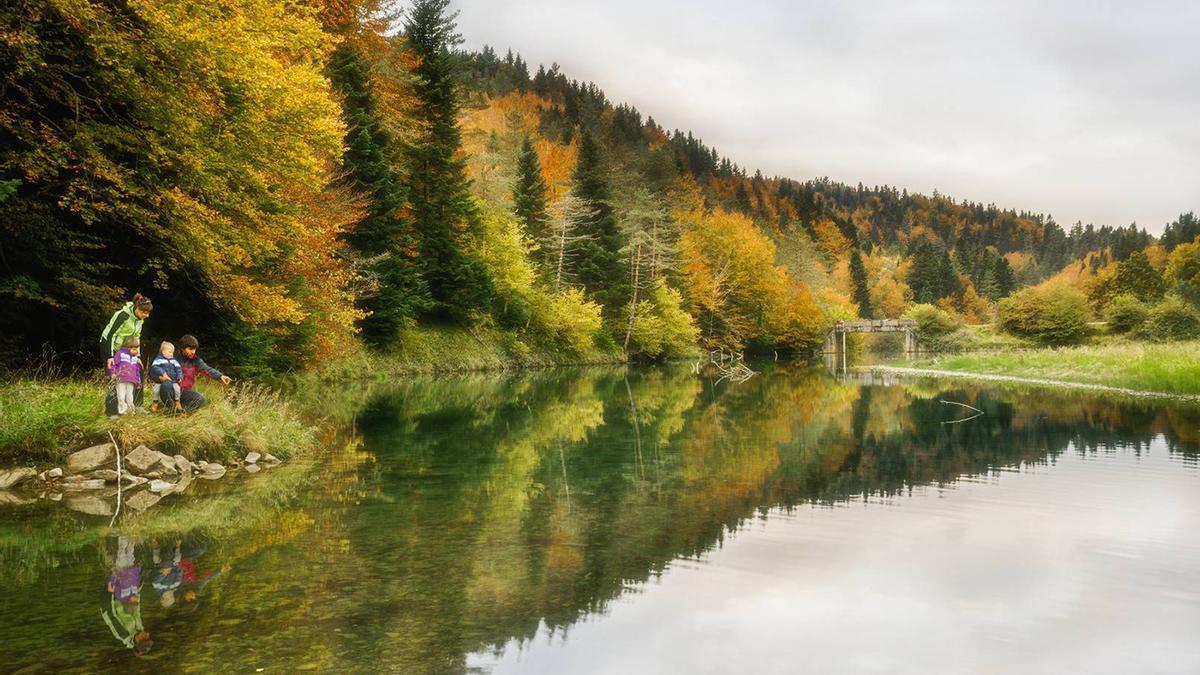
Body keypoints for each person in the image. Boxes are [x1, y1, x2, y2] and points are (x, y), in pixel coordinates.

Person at [102, 535, 153, 655]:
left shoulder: (123, 635)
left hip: (112, 597)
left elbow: (110, 616)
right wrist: (137, 595)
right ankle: (126, 536)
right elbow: (136, 610)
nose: (148, 634)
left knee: (113, 567)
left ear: (139, 640)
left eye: (146, 637)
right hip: (127, 593)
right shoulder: (140, 628)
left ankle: (109, 539)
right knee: (126, 566)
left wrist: (110, 594)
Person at [176, 334, 231, 411]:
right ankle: (177, 410)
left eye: (194, 349)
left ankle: (180, 412)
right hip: (173, 390)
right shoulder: (172, 358)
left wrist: (220, 376)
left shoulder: (196, 360)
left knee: (202, 400)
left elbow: (207, 369)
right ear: (182, 348)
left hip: (186, 392)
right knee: (200, 399)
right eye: (190, 349)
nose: (193, 352)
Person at [100, 293, 153, 365]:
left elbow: (136, 338)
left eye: (148, 313)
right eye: (144, 313)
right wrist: (110, 356)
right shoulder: (123, 315)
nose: (147, 315)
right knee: (113, 373)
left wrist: (137, 356)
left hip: (125, 350)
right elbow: (110, 335)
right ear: (137, 308)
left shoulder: (140, 320)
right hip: (110, 346)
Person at [108, 336, 144, 417]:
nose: (136, 351)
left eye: (136, 349)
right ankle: (122, 411)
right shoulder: (120, 354)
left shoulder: (135, 358)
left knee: (130, 396)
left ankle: (131, 411)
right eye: (134, 349)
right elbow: (114, 364)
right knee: (121, 395)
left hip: (131, 381)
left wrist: (138, 381)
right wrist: (113, 373)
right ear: (128, 348)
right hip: (121, 379)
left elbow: (137, 370)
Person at [149, 341, 184, 413]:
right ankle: (155, 402)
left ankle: (177, 401)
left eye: (172, 352)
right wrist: (162, 372)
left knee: (177, 389)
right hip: (160, 380)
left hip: (173, 380)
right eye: (170, 352)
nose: (172, 354)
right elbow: (154, 367)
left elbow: (178, 369)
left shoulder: (174, 361)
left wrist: (180, 377)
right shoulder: (158, 359)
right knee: (156, 390)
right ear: (163, 352)